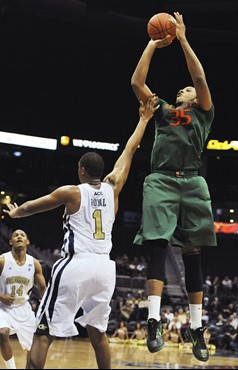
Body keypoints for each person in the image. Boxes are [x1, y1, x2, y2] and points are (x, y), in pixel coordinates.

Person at [4, 96, 159, 369]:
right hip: (104, 268)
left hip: (76, 264)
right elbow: (130, 150)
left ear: (82, 170)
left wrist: (16, 213)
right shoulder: (114, 187)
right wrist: (144, 119)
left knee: (43, 333)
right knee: (98, 334)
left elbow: (32, 207)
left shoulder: (72, 192)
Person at [131, 11, 217, 362]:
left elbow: (198, 75)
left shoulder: (204, 111)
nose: (184, 88)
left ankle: (196, 329)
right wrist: (152, 45)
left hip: (193, 181)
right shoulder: (164, 110)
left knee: (193, 253)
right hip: (161, 179)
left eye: (187, 88)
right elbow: (137, 83)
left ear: (194, 97)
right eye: (182, 88)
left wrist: (181, 38)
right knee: (157, 242)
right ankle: (154, 322)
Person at [0, 229, 46, 369]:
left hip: (23, 308)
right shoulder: (2, 260)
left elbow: (43, 288)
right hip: (3, 308)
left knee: (33, 346)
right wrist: (1, 296)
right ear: (10, 242)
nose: (19, 236)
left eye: (22, 235)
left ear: (27, 242)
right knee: (2, 332)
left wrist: (45, 308)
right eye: (15, 235)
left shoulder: (34, 263)